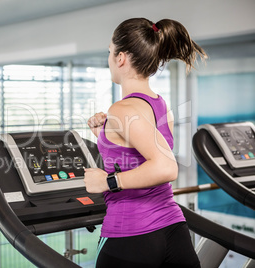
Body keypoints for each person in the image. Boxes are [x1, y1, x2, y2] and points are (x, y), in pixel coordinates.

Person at [84, 18, 207, 268]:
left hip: (131, 235)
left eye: (109, 51)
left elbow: (166, 167)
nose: (109, 59)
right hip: (173, 232)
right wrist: (106, 136)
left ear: (120, 58)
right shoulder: (161, 107)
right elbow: (139, 156)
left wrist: (106, 181)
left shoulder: (122, 109)